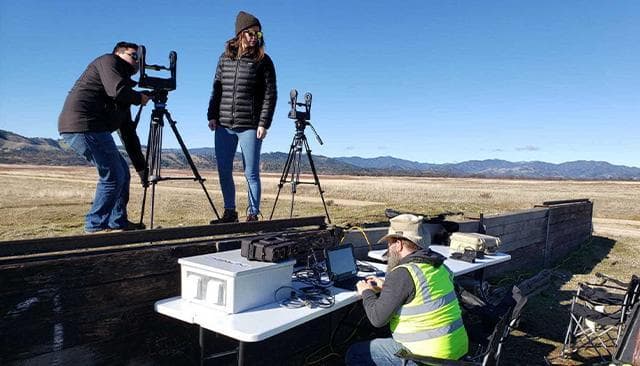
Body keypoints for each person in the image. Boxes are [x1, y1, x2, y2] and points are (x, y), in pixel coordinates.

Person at [345, 214, 469, 365]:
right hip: (456, 351)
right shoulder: (438, 265)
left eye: (389, 244)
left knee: (355, 353)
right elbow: (423, 293)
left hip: (427, 359)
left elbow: (377, 319)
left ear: (398, 244)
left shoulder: (403, 273)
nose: (388, 249)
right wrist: (387, 287)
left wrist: (366, 291)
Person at [58, 41, 150, 233]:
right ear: (119, 53)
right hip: (83, 126)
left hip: (91, 128)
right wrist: (138, 98)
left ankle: (118, 223)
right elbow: (116, 90)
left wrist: (141, 168)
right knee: (113, 175)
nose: (137, 62)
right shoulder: (109, 61)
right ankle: (96, 226)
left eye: (139, 59)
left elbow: (128, 133)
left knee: (122, 171)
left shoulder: (122, 90)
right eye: (134, 56)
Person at [207, 10, 277, 223]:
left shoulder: (263, 61)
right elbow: (216, 89)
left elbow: (270, 94)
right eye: (250, 33)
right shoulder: (225, 58)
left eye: (258, 34)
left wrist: (264, 123)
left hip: (250, 125)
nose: (254, 37)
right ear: (240, 34)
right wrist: (212, 114)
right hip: (224, 124)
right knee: (224, 169)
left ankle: (252, 214)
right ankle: (230, 212)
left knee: (251, 172)